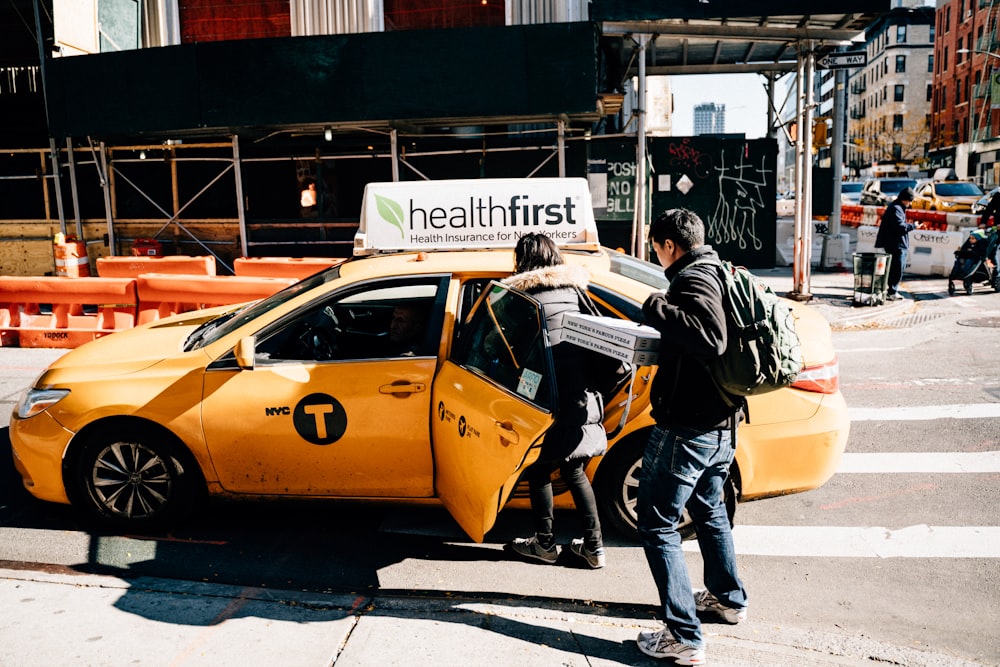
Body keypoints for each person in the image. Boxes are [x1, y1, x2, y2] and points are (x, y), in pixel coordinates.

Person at [635, 209, 747, 666]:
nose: (655, 254)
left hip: (689, 427)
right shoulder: (717, 269)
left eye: (655, 247)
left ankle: (683, 636)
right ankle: (727, 598)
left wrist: (654, 306)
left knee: (657, 522)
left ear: (668, 245)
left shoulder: (692, 278)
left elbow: (710, 338)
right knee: (708, 510)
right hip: (720, 425)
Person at [503, 233, 608, 569]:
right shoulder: (576, 291)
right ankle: (594, 547)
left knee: (540, 469)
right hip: (581, 396)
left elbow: (514, 352)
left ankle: (546, 544)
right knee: (574, 469)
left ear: (524, 261)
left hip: (547, 401)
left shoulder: (525, 299)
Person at [874, 186, 917, 301]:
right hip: (896, 244)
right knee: (897, 268)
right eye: (910, 201)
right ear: (906, 199)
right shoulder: (897, 209)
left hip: (893, 243)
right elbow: (900, 227)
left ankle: (891, 290)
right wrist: (913, 226)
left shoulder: (896, 207)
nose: (910, 203)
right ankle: (892, 291)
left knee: (894, 268)